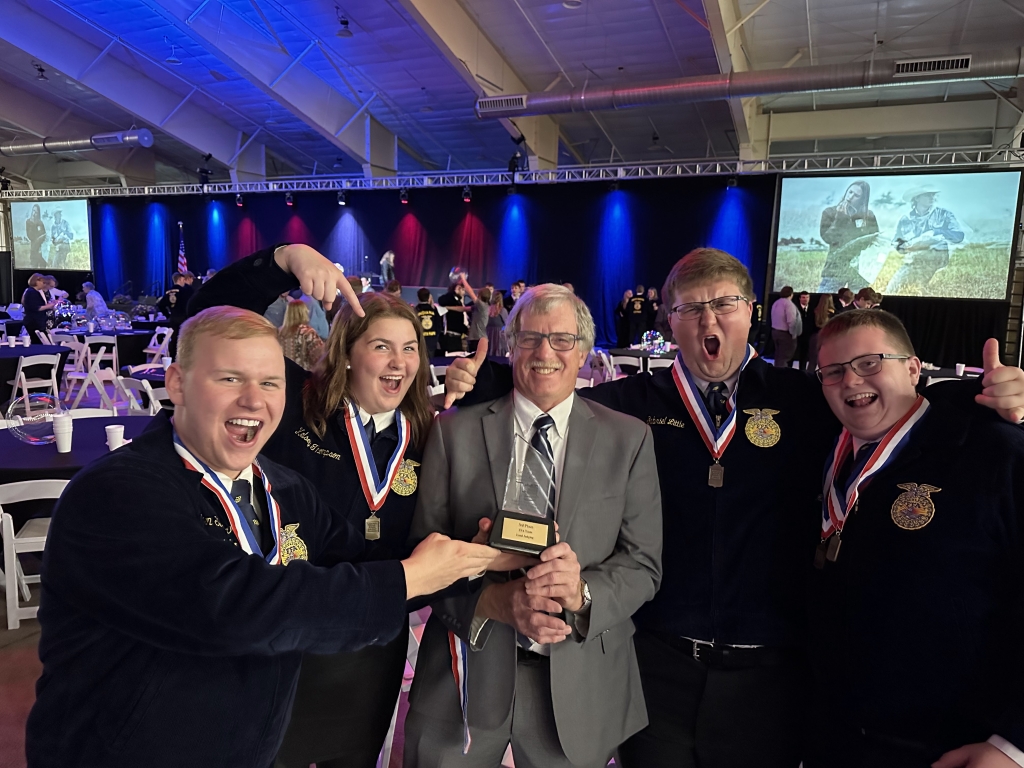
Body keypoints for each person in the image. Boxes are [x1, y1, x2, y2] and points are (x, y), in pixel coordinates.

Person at [441, 247, 1024, 768]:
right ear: (669, 323)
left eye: (723, 304)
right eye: (690, 309)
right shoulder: (626, 408)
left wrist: (981, 404)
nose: (708, 321)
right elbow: (549, 387)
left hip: (771, 679)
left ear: (751, 311)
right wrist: (480, 379)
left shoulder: (808, 399)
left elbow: (893, 404)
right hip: (658, 666)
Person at [25, 305, 499, 768]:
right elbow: (234, 605)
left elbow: (365, 558)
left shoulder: (284, 487)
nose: (254, 400)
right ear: (176, 384)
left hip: (250, 746)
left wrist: (482, 556)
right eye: (230, 378)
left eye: (270, 382)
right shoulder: (116, 493)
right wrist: (408, 578)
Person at [188, 245, 511, 768]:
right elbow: (210, 318)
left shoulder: (430, 435)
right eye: (381, 346)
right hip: (287, 645)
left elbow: (531, 380)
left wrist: (478, 381)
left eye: (410, 349)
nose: (398, 362)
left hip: (374, 648)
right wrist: (282, 259)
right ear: (346, 351)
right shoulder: (296, 409)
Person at [404, 284, 663, 768]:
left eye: (562, 339)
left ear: (584, 351)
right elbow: (420, 553)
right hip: (465, 677)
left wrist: (583, 593)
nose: (545, 352)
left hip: (578, 682)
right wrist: (492, 602)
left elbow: (643, 564)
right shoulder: (452, 432)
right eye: (530, 338)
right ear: (510, 346)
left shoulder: (628, 440)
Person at [806, 309, 1024, 768]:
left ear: (912, 368)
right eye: (834, 371)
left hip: (953, 746)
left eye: (869, 363)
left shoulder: (994, 452)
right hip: (837, 736)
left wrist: (1013, 743)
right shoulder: (822, 449)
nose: (851, 381)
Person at [887, 186, 965, 294]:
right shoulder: (905, 219)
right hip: (913, 262)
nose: (932, 198)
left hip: (936, 260)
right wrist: (904, 247)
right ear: (917, 198)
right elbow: (896, 242)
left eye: (933, 195)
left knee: (927, 289)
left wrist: (937, 232)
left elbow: (959, 236)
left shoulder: (944, 214)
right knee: (891, 288)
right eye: (928, 195)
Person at [817, 180, 879, 293]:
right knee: (824, 302)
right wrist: (840, 218)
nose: (850, 197)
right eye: (850, 192)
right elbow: (828, 238)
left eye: (856, 195)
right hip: (835, 269)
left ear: (862, 199)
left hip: (859, 270)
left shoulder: (868, 216)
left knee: (860, 307)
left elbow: (875, 239)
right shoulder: (830, 212)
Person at [278, 298, 324, 371]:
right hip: (303, 377)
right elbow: (320, 357)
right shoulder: (307, 332)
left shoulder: (278, 332)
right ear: (303, 312)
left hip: (283, 375)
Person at [771, 286, 802, 368]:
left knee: (779, 357)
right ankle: (781, 378)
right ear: (791, 294)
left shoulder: (776, 302)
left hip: (775, 332)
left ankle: (776, 375)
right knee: (784, 358)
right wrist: (793, 334)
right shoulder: (789, 304)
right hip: (785, 334)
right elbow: (791, 321)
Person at [21, 273, 56, 344]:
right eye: (43, 282)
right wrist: (50, 305)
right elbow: (36, 308)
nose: (44, 284)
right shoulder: (31, 292)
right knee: (38, 342)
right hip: (34, 322)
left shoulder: (35, 292)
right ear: (37, 281)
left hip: (37, 321)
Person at [438, 279, 469, 353]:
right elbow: (441, 301)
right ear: (458, 288)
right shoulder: (450, 299)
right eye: (463, 290)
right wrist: (453, 292)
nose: (464, 293)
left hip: (457, 336)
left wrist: (465, 329)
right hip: (450, 336)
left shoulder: (458, 302)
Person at [806, 294, 834, 371]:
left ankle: (807, 379)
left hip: (814, 338)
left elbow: (809, 327)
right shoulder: (833, 313)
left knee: (812, 362)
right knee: (826, 362)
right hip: (827, 338)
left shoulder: (814, 311)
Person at [415, 288, 443, 359]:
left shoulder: (415, 311)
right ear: (429, 297)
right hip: (432, 342)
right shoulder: (434, 310)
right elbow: (439, 326)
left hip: (420, 342)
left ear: (418, 297)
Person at [466, 281, 488, 355]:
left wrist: (463, 278)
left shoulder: (482, 306)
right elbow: (464, 308)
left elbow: (470, 292)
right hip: (476, 338)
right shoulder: (480, 307)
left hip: (478, 338)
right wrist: (447, 308)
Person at [486, 288, 509, 356]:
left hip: (488, 334)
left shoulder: (488, 309)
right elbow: (507, 324)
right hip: (499, 336)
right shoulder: (503, 310)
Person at [795, 291, 813, 370]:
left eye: (807, 297)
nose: (805, 299)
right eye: (803, 297)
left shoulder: (813, 309)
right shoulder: (795, 308)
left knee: (804, 355)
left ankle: (802, 371)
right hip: (796, 335)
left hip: (807, 336)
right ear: (799, 299)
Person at [25, 203, 46, 269]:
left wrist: (39, 239)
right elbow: (30, 235)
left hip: (40, 249)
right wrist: (37, 237)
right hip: (33, 249)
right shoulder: (28, 222)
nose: (34, 213)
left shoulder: (40, 222)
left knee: (43, 266)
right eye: (33, 211)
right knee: (34, 267)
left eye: (36, 212)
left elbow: (43, 234)